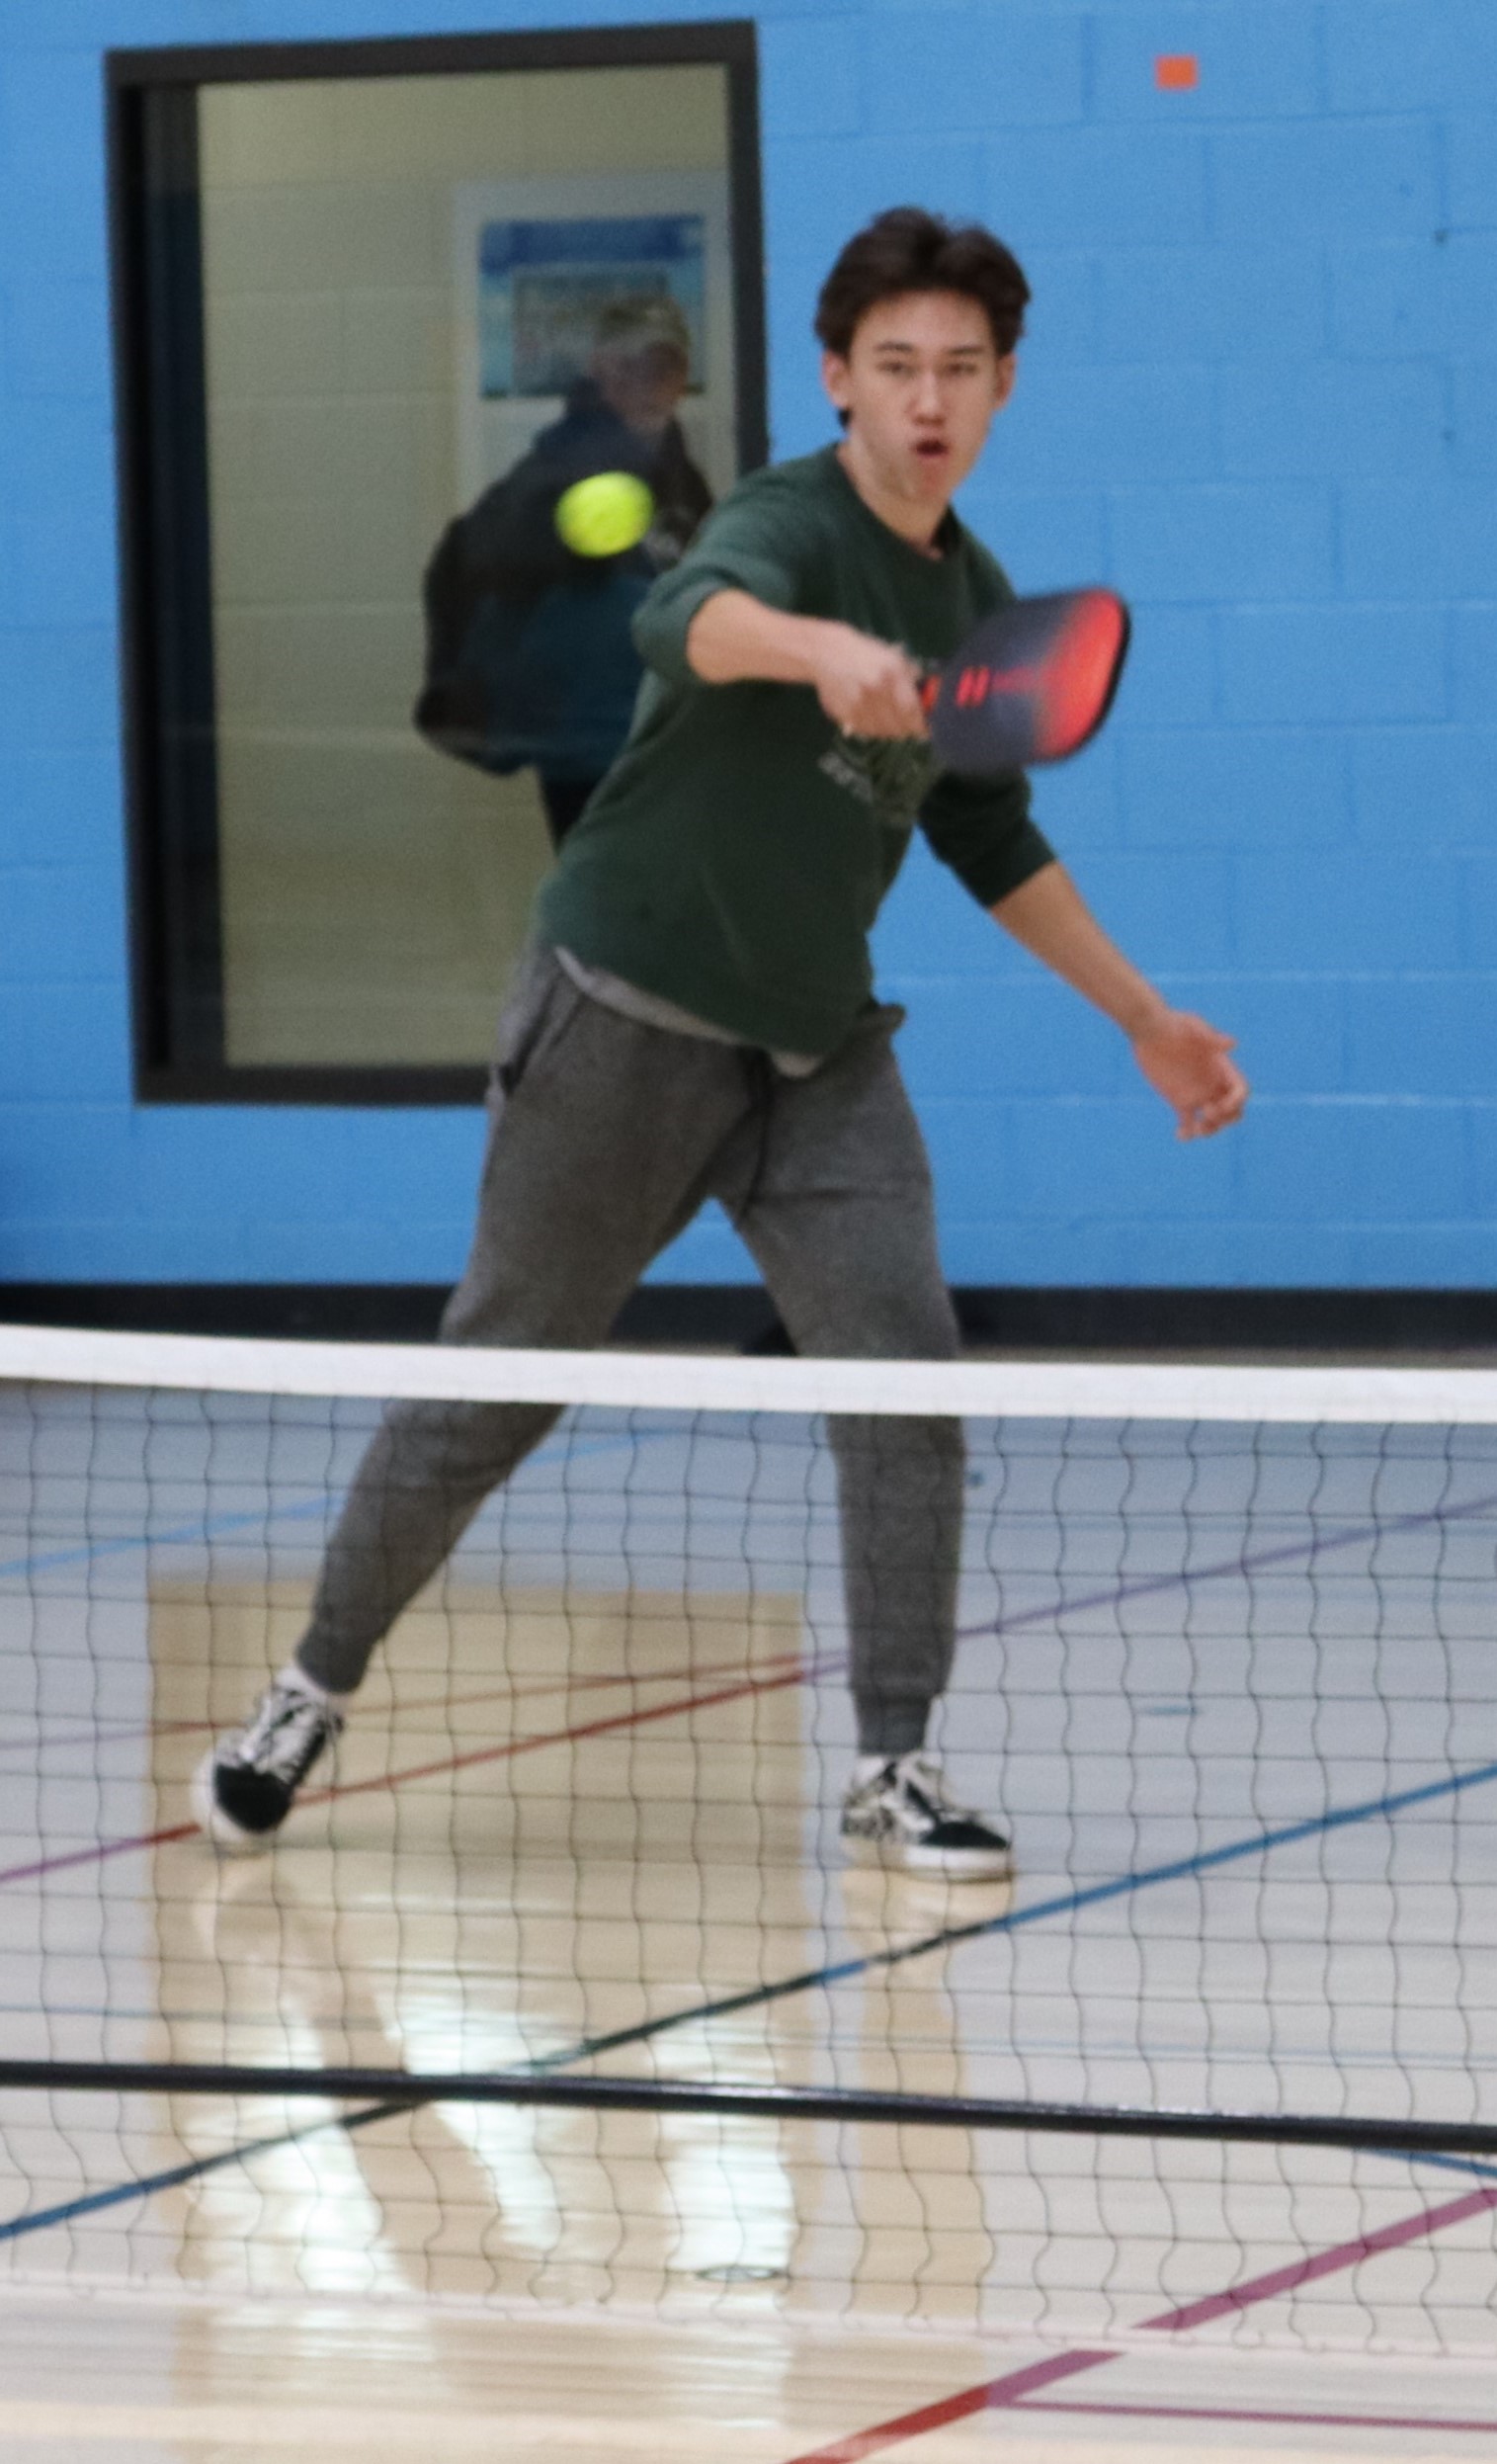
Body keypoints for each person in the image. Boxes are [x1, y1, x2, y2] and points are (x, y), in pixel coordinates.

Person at [197, 207, 1248, 1879]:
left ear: (1003, 387)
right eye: (894, 367)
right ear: (838, 377)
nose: (926, 400)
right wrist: (821, 647)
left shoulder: (976, 599)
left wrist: (1145, 1018)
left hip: (816, 1056)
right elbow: (680, 620)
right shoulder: (781, 520)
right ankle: (307, 1686)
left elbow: (988, 835)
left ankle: (894, 1755)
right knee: (493, 1391)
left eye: (959, 371)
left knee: (902, 1379)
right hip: (624, 1019)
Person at [414, 296, 713, 847]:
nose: (645, 382)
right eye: (628, 365)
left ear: (682, 377)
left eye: (661, 366)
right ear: (600, 371)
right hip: (594, 760)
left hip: (667, 752)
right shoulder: (560, 475)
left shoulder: (679, 478)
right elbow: (471, 572)